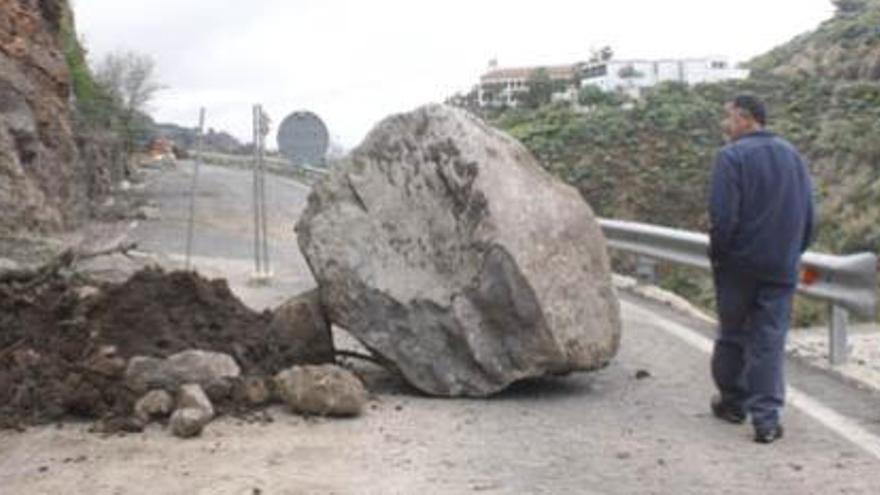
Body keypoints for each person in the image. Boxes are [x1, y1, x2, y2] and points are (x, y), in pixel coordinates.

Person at [708, 94, 815, 444]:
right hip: (781, 264)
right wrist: (792, 251)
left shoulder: (731, 157)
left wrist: (720, 256)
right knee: (769, 340)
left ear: (745, 118)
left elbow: (724, 218)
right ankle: (767, 421)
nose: (726, 125)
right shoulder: (793, 156)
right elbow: (810, 216)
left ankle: (733, 402)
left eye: (729, 117)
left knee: (733, 334)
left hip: (739, 266)